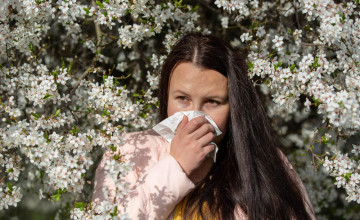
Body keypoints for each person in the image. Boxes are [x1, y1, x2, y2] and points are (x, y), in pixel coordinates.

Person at [92, 33, 315, 219]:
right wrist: (176, 169)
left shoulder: (264, 163)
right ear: (166, 96)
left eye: (212, 102)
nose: (195, 117)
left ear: (234, 107)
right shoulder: (129, 152)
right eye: (182, 99)